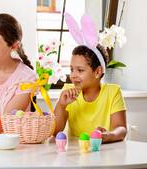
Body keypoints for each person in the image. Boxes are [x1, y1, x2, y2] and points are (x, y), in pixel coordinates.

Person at [54, 13, 127, 143]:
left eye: (80, 70)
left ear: (98, 72)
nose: (73, 75)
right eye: (71, 69)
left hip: (105, 152)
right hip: (76, 154)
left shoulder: (112, 92)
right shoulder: (67, 91)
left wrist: (109, 135)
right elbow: (55, 132)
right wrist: (61, 105)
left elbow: (121, 129)